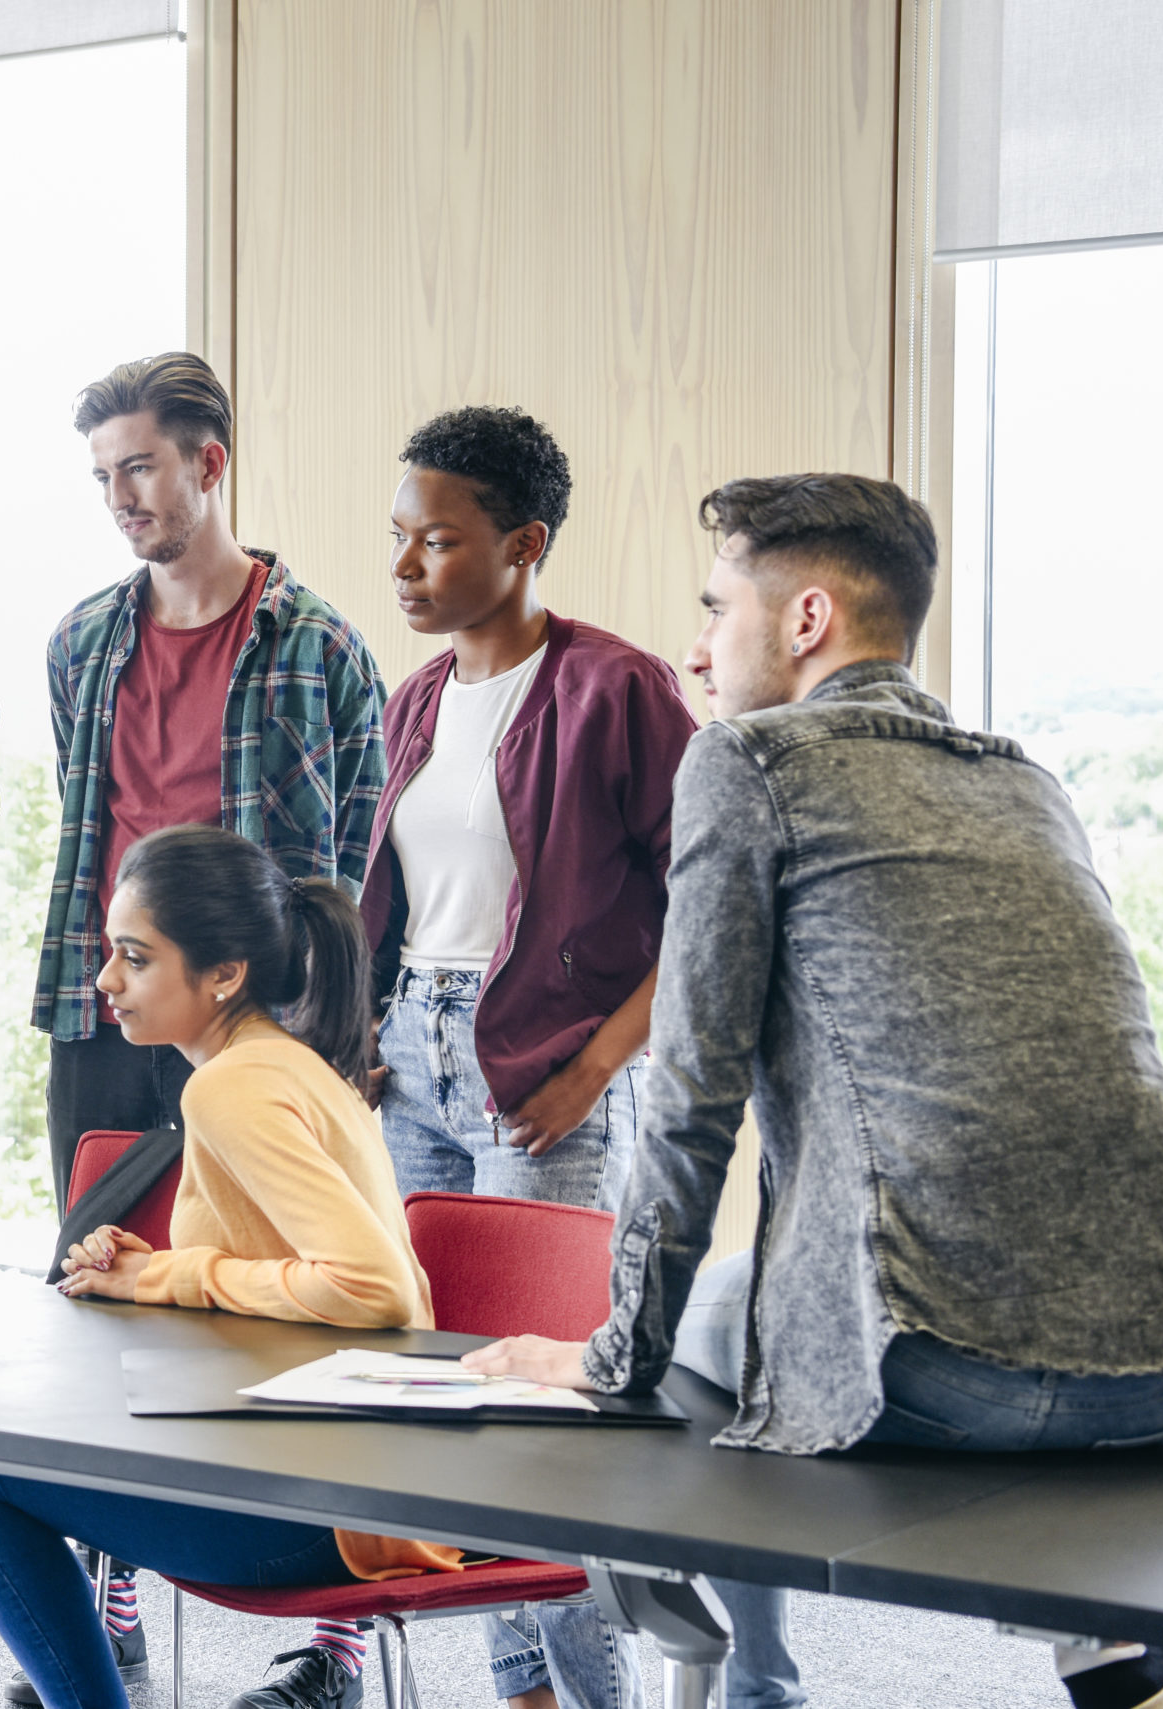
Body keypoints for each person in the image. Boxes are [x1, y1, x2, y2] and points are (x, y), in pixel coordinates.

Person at [464, 473, 1163, 1709]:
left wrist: (609, 1359)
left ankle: (715, 1673)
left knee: (709, 1328)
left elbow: (693, 1084)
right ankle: (1130, 1661)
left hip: (941, 1367)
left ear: (806, 617)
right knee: (790, 1311)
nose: (697, 646)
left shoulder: (748, 759)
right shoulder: (1027, 778)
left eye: (716, 608)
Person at [0, 824, 490, 1709]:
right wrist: (155, 1267)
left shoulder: (228, 1085)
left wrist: (174, 1276)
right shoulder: (292, 1065)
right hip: (376, 1487)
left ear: (224, 973)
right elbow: (294, 1273)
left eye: (134, 958)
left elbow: (374, 1289)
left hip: (333, 1509)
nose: (106, 981)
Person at [32, 351, 387, 1709]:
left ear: (209, 463)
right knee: (107, 1285)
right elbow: (82, 824)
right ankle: (113, 1578)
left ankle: (339, 1633)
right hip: (110, 1011)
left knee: (303, 1297)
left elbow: (353, 858)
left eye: (141, 467)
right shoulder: (82, 641)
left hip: (271, 1023)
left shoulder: (322, 647)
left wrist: (339, 1033)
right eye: (105, 475)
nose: (122, 496)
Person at [360, 408, 695, 1709]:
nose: (405, 567)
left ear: (524, 543)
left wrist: (597, 1071)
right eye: (398, 538)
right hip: (415, 1066)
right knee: (449, 1400)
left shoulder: (620, 689)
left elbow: (704, 918)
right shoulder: (416, 702)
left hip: (546, 1075)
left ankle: (599, 1693)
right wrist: (371, 1039)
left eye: (436, 541)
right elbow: (400, 904)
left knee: (543, 1416)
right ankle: (528, 1693)